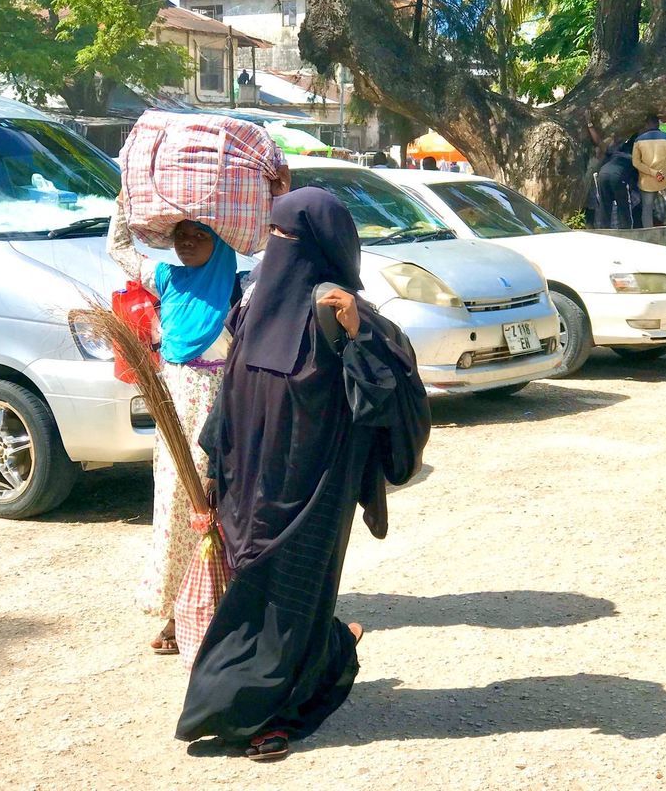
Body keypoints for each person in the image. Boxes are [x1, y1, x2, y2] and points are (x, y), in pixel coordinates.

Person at [176, 188, 429, 759]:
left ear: (317, 245)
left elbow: (387, 398)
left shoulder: (339, 310)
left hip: (316, 487)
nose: (276, 245)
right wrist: (215, 463)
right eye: (273, 233)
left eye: (287, 236)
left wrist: (359, 333)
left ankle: (267, 712)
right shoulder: (253, 304)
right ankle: (321, 658)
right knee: (252, 591)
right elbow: (231, 394)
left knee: (294, 596)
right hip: (249, 485)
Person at [108, 198, 238, 655]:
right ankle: (175, 611)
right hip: (175, 419)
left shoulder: (238, 292)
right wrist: (124, 201)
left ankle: (221, 608)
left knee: (217, 509)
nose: (187, 241)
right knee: (174, 511)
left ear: (220, 241)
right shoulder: (166, 278)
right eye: (181, 234)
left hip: (220, 419)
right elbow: (120, 249)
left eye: (200, 234)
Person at [632, 114, 666, 228]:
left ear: (646, 125)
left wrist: (652, 172)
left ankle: (649, 233)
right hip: (664, 178)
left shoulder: (638, 141)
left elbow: (636, 163)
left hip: (646, 180)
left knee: (647, 209)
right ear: (658, 124)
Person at [594, 134, 637, 229]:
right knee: (623, 206)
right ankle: (626, 232)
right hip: (617, 177)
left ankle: (604, 230)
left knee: (605, 206)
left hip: (602, 175)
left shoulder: (613, 153)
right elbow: (635, 179)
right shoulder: (632, 159)